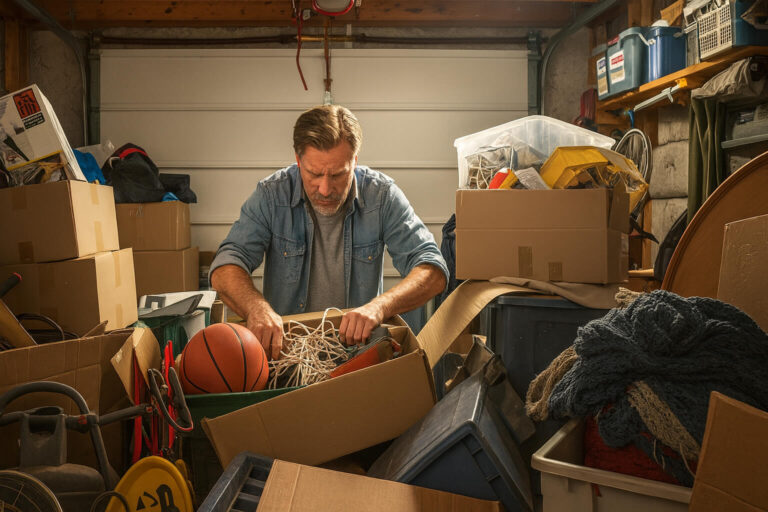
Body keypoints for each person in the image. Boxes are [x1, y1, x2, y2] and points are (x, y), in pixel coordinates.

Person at [210, 105, 448, 360]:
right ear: (298, 160)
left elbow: (433, 270)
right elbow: (226, 266)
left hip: (358, 357)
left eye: (338, 174)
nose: (325, 189)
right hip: (288, 357)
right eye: (314, 174)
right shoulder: (271, 196)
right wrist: (256, 309)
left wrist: (379, 307)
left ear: (354, 161)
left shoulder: (382, 196)